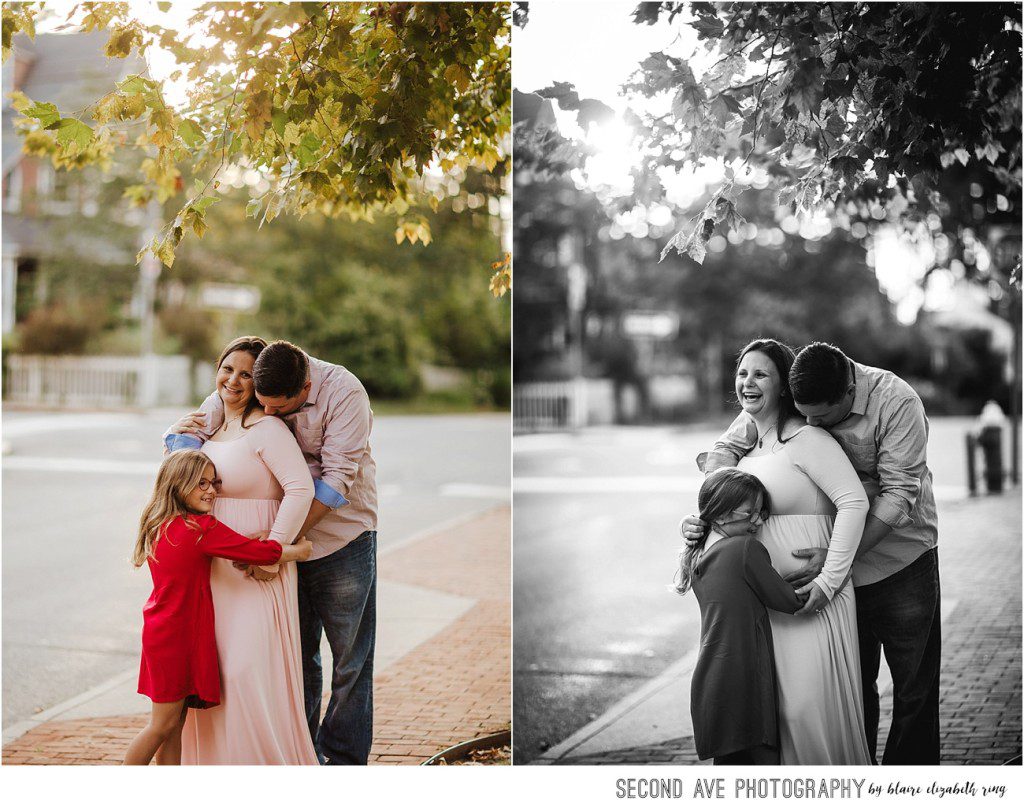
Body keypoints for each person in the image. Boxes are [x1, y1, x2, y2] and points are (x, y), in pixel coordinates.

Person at [693, 340, 940, 765]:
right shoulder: (801, 394)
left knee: (914, 690)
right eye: (802, 414)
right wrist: (707, 517)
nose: (808, 424)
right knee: (851, 689)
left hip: (900, 562)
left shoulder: (896, 402)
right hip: (835, 577)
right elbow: (728, 447)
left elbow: (898, 496)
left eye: (820, 418)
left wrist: (833, 563)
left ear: (847, 393)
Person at [166, 338, 377, 765]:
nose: (271, 415)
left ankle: (343, 764)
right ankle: (299, 754)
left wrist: (276, 549)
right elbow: (192, 435)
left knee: (350, 661)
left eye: (280, 408)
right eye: (265, 405)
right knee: (293, 659)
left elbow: (334, 482)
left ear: (304, 388)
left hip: (341, 539)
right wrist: (178, 439)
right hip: (274, 549)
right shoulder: (257, 375)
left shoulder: (344, 392)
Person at [683, 339, 872, 764]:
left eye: (761, 374)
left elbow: (854, 502)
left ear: (784, 385)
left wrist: (829, 581)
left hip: (811, 602)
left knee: (806, 713)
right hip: (764, 608)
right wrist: (693, 524)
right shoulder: (743, 449)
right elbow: (724, 510)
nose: (748, 382)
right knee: (777, 721)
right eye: (743, 373)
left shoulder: (807, 440)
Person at [124, 451, 312, 765]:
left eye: (214, 483)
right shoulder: (200, 528)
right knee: (161, 725)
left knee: (174, 727)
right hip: (176, 638)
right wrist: (299, 551)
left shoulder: (163, 523)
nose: (211, 490)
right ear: (178, 484)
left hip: (163, 631)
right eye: (201, 484)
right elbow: (260, 553)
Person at [676, 468, 804, 765]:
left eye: (761, 513)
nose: (758, 522)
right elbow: (790, 602)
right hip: (745, 675)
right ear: (720, 516)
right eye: (750, 514)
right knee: (763, 767)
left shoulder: (699, 553)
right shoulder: (744, 549)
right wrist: (832, 573)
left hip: (713, 677)